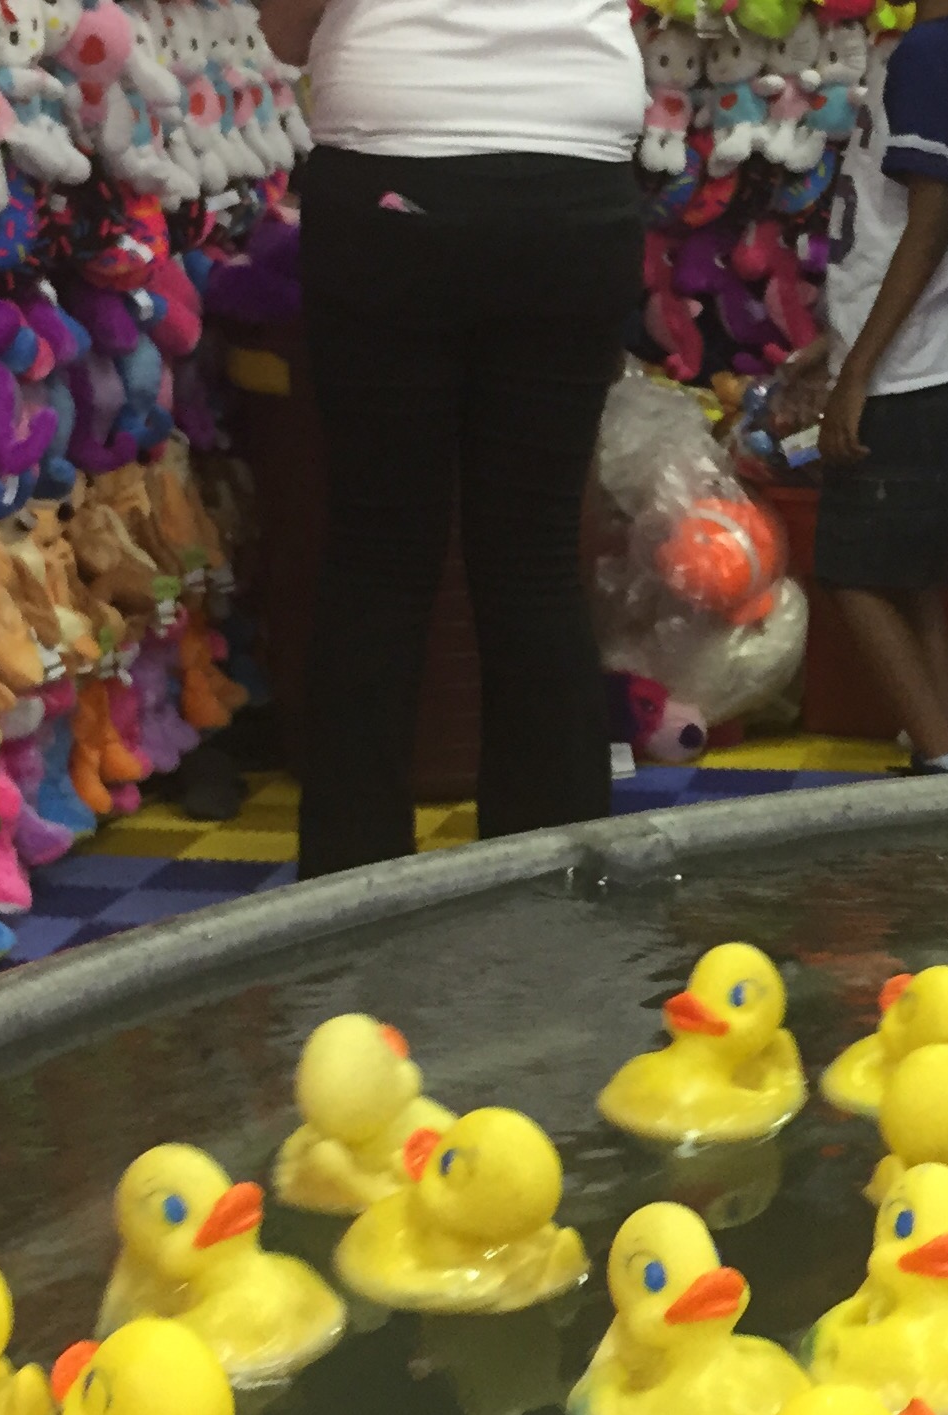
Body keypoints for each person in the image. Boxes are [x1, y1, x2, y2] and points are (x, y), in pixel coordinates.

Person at [266, 0, 646, 878]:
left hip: (393, 169)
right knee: (534, 559)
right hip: (572, 179)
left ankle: (349, 911)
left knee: (377, 559)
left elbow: (286, 30)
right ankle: (552, 905)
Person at [812, 0, 948, 775]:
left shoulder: (929, 52)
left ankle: (946, 756)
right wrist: (831, 346)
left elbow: (929, 224)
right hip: (930, 354)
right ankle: (942, 754)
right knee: (914, 580)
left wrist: (857, 370)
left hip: (904, 367)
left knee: (850, 572)